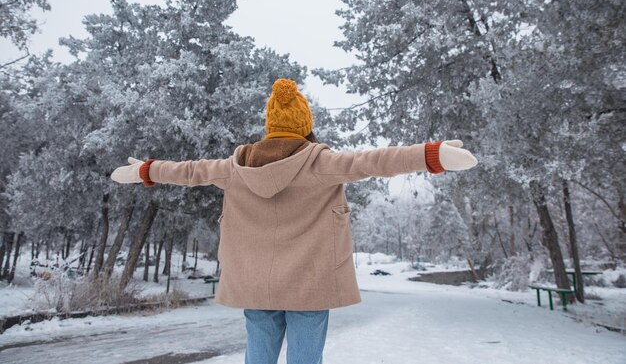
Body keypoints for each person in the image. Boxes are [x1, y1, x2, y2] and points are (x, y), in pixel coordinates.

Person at [111, 78, 478, 364]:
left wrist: (146, 170)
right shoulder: (321, 163)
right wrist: (432, 155)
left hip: (255, 283)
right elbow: (376, 160)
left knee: (259, 351)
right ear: (304, 124)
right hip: (310, 282)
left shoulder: (234, 168)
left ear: (270, 124)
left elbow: (188, 171)